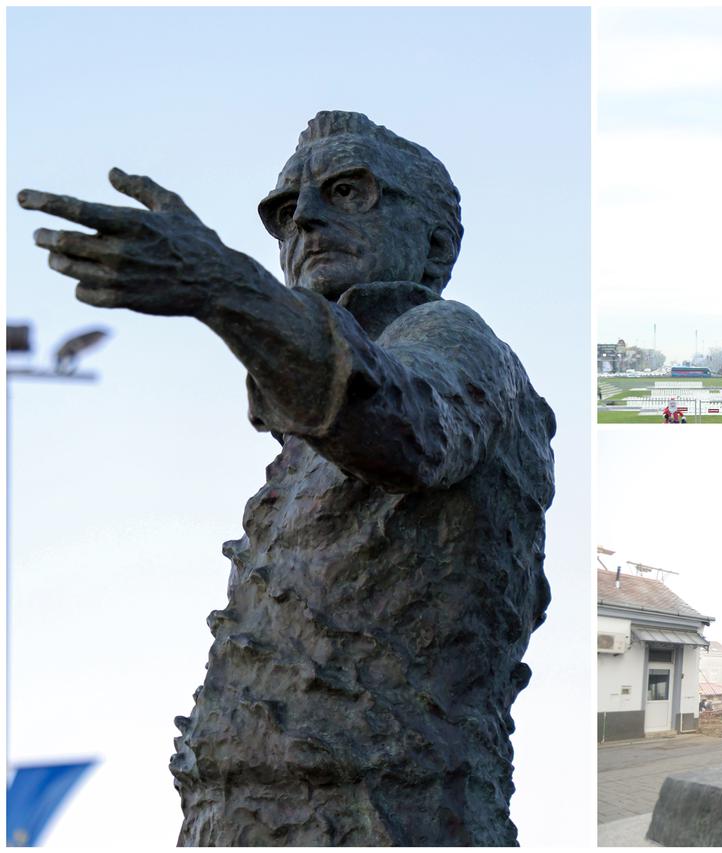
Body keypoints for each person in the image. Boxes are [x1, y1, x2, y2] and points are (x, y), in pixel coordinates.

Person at [20, 111, 554, 845]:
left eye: (347, 190)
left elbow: (411, 427)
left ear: (434, 244)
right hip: (242, 816)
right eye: (283, 210)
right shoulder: (305, 437)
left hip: (381, 813)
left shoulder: (457, 340)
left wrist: (223, 288)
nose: (304, 219)